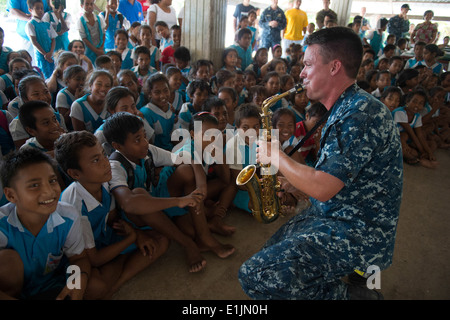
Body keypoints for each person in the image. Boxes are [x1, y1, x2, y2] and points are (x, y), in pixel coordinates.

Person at [238, 26, 403, 300]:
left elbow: (324, 187)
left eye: (308, 64)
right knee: (269, 252)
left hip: (359, 230)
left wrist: (275, 156)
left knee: (258, 274)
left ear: (334, 67)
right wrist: (294, 181)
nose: (301, 73)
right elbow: (337, 176)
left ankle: (355, 296)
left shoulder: (360, 114)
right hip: (340, 211)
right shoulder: (348, 107)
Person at [102, 112, 233, 273]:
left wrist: (201, 187)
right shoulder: (115, 166)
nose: (144, 143)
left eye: (144, 136)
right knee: (139, 194)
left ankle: (204, 237)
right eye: (137, 140)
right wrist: (179, 201)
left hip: (156, 198)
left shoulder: (147, 150)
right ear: (118, 146)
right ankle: (188, 243)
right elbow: (128, 204)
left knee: (185, 170)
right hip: (136, 217)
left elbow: (189, 161)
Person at [56, 131, 169, 299]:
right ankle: (120, 263)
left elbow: (113, 217)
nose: (105, 163)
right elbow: (92, 260)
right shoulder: (73, 204)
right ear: (75, 174)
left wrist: (135, 233)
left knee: (161, 240)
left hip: (104, 239)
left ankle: (117, 283)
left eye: (103, 155)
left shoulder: (104, 180)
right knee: (94, 287)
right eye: (96, 160)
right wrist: (132, 239)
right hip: (83, 256)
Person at [0, 148, 91, 300]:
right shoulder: (2, 225)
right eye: (34, 185)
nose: (49, 191)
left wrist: (76, 282)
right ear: (11, 195)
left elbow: (78, 259)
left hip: (53, 285)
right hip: (13, 291)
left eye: (52, 181)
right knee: (7, 262)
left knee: (95, 286)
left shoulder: (68, 216)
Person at [25, 0, 57, 79]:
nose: (40, 11)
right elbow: (34, 41)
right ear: (30, 10)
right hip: (41, 55)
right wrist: (45, 54)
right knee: (44, 74)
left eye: (42, 8)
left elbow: (53, 39)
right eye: (37, 8)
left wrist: (50, 52)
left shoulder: (47, 24)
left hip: (50, 53)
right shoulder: (31, 24)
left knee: (53, 73)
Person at [77, 0, 107, 64]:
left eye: (91, 4)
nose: (89, 6)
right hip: (89, 51)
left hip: (101, 49)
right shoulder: (81, 21)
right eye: (87, 4)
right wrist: (96, 51)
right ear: (82, 6)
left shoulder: (99, 18)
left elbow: (103, 33)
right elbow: (84, 38)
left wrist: (101, 48)